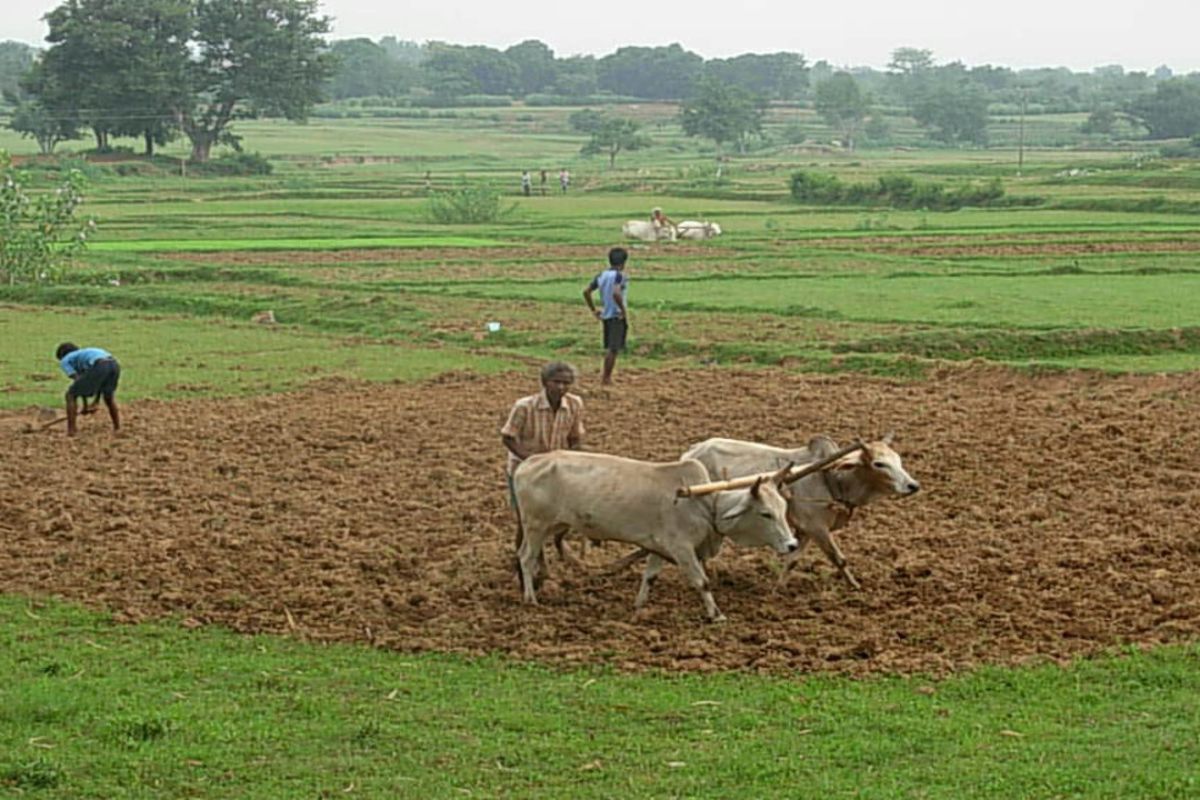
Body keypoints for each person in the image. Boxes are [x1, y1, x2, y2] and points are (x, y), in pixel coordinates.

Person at [501, 361, 585, 508]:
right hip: (524, 469)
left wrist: (571, 461)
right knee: (526, 517)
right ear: (545, 382)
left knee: (558, 514)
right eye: (556, 382)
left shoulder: (575, 404)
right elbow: (508, 438)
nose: (561, 387)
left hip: (557, 470)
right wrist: (533, 461)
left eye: (566, 383)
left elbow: (574, 437)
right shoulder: (524, 406)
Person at [582, 247, 629, 385]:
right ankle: (606, 378)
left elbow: (586, 292)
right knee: (613, 349)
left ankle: (606, 376)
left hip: (606, 315)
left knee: (610, 346)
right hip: (616, 315)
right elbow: (616, 293)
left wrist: (594, 310)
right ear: (624, 262)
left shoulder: (601, 275)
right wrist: (623, 309)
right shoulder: (620, 276)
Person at [55, 342, 121, 437]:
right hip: (114, 365)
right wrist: (93, 403)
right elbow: (92, 383)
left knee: (70, 395)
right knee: (108, 397)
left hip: (99, 366)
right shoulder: (84, 354)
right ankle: (117, 427)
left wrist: (87, 406)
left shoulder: (65, 360)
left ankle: (71, 431)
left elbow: (78, 381)